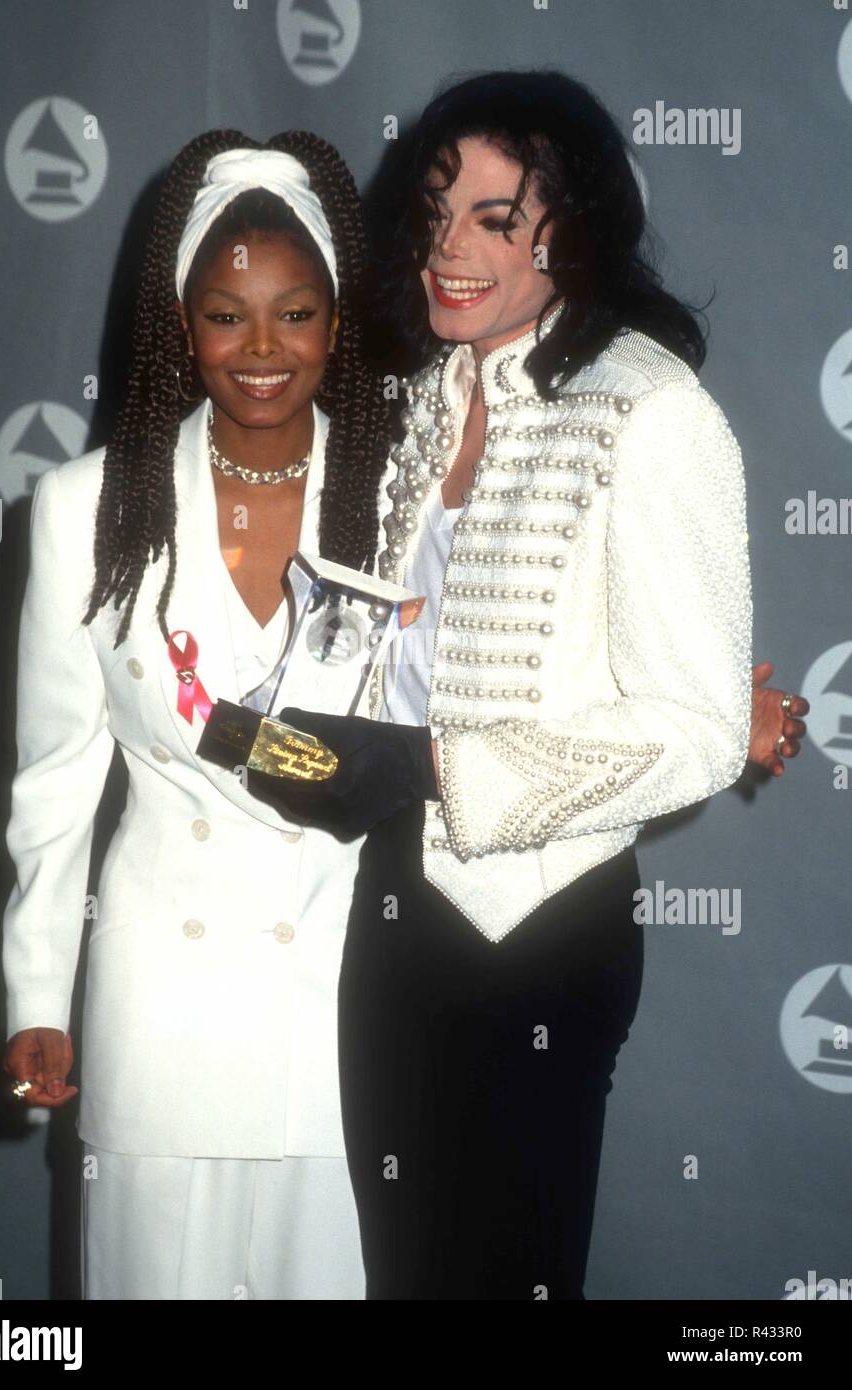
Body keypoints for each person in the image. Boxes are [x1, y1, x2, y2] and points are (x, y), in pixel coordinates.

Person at [246, 70, 806, 1300]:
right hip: (390, 906)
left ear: (577, 230)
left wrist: (445, 767)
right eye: (440, 211)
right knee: (403, 1273)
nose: (452, 249)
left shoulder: (652, 412)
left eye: (500, 220)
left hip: (541, 926)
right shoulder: (410, 400)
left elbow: (699, 731)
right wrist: (287, 744)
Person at [0, 129, 393, 1299]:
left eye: (297, 314)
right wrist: (35, 994)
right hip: (162, 1012)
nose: (262, 349)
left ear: (337, 323)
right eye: (227, 316)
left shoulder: (399, 491)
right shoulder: (84, 509)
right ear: (182, 323)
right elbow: (55, 778)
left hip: (339, 999)